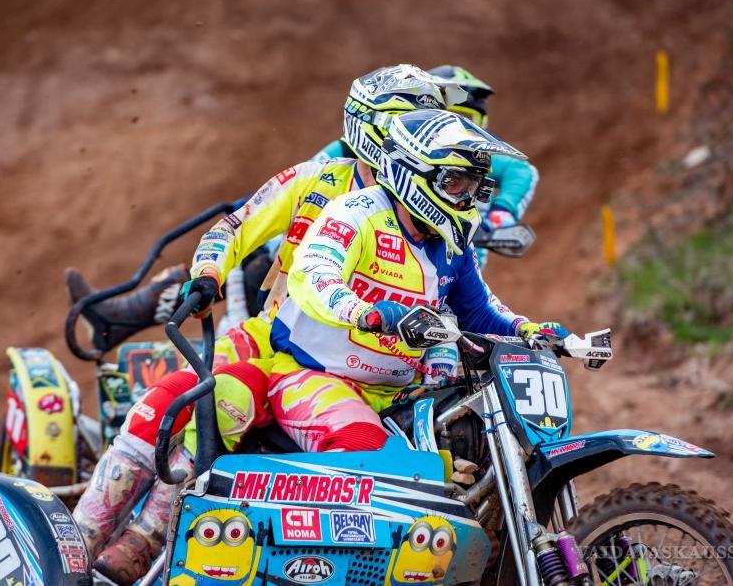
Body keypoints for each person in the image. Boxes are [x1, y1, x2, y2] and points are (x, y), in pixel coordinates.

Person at [71, 64, 464, 585]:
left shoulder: (442, 208)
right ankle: (84, 541)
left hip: (376, 370)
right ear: (375, 129)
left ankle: (148, 541)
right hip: (272, 338)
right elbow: (233, 226)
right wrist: (207, 273)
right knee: (179, 398)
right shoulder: (314, 179)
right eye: (413, 123)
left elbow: (462, 293)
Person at [255, 108, 569, 455]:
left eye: (474, 187)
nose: (466, 200)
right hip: (315, 376)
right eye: (455, 184)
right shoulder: (357, 211)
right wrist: (363, 312)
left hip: (398, 393)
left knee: (471, 442)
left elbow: (478, 312)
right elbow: (314, 272)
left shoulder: (451, 244)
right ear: (414, 172)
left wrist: (528, 330)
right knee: (364, 449)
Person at [314, 64, 539, 269]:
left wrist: (500, 214)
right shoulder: (349, 147)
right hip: (362, 258)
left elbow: (520, 170)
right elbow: (309, 180)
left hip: (451, 268)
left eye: (466, 118)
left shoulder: (460, 155)